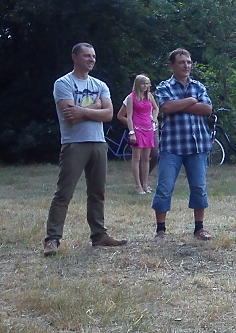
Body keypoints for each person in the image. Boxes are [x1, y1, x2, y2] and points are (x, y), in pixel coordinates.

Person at [43, 43, 128, 256]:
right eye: (87, 56)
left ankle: (99, 236)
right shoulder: (63, 83)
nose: (91, 60)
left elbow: (109, 115)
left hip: (98, 143)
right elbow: (70, 117)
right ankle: (52, 239)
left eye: (93, 56)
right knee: (64, 193)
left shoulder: (100, 84)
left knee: (98, 192)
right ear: (75, 57)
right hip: (74, 144)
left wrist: (84, 111)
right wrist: (96, 107)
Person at [152, 48, 214, 240]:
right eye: (181, 62)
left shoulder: (198, 86)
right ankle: (161, 230)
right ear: (172, 65)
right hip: (172, 145)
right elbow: (166, 107)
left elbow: (207, 109)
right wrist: (191, 101)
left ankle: (199, 228)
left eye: (188, 62)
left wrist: (180, 105)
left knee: (199, 187)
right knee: (164, 187)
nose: (186, 66)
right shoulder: (164, 86)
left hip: (197, 145)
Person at [124, 74, 157, 194]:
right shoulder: (131, 98)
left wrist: (154, 118)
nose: (145, 86)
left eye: (147, 84)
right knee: (136, 158)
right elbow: (129, 116)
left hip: (149, 129)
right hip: (137, 129)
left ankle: (145, 184)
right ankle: (137, 185)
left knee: (146, 158)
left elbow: (156, 108)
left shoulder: (149, 96)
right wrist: (131, 132)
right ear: (137, 84)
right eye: (143, 83)